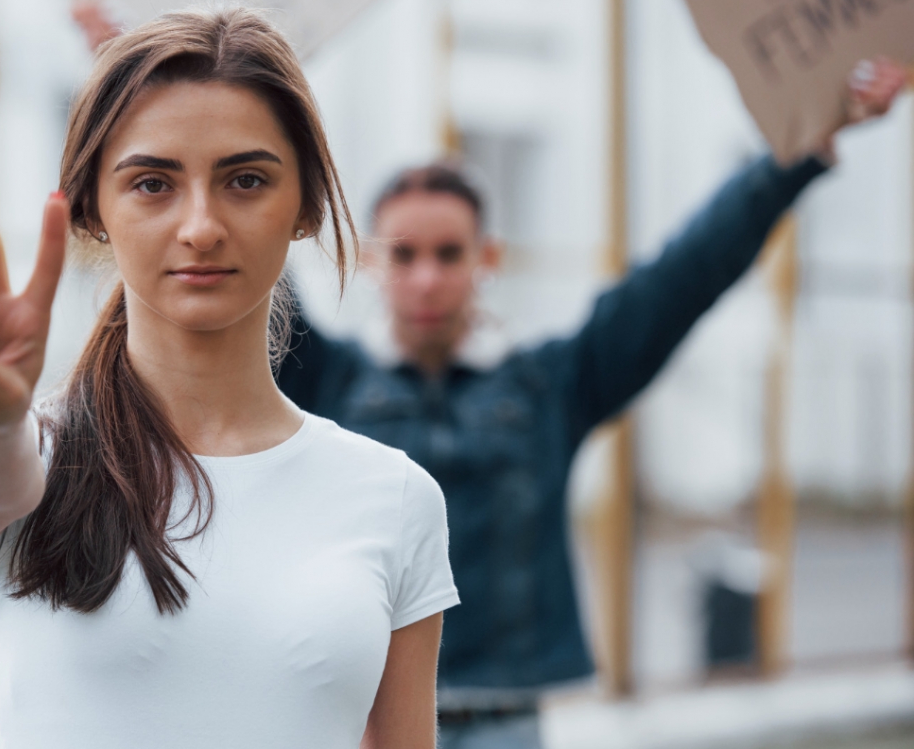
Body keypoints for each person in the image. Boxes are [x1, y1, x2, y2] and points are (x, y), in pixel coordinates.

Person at [273, 59, 908, 749]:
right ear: (371, 261)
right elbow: (252, 252)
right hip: (362, 721)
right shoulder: (325, 385)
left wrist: (803, 146)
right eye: (405, 254)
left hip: (502, 719)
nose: (426, 277)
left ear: (486, 258)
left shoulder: (549, 386)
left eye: (448, 254)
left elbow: (681, 278)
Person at [0, 7, 459, 748]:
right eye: (151, 184)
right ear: (92, 210)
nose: (200, 225)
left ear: (304, 207)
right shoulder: (21, 452)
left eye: (244, 179)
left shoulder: (393, 497)